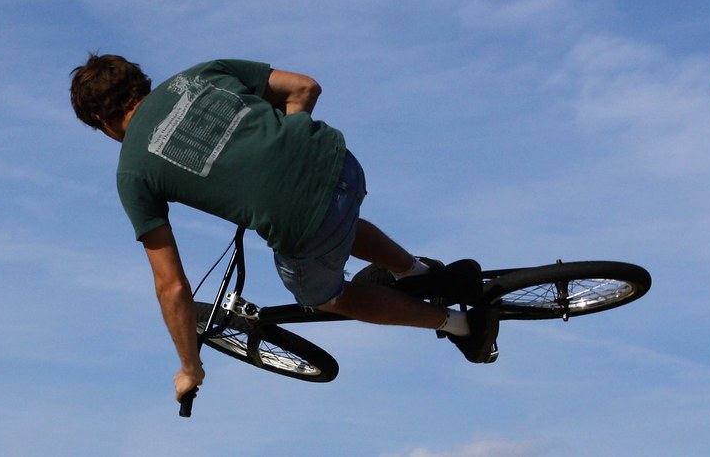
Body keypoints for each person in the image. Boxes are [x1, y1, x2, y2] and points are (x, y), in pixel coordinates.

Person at [70, 54, 499, 402]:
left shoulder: (132, 172)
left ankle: (458, 326)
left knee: (323, 294)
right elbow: (305, 87)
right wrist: (288, 138)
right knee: (329, 215)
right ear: (138, 81)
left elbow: (172, 288)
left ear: (99, 119)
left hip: (309, 226)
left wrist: (189, 368)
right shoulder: (202, 73)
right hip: (341, 165)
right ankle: (420, 273)